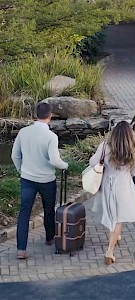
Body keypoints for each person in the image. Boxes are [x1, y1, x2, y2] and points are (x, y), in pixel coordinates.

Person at [11, 102, 68, 259]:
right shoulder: (51, 137)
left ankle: (21, 249)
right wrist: (66, 165)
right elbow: (55, 161)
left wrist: (21, 170)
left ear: (36, 115)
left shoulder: (23, 132)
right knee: (49, 210)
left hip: (27, 179)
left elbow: (14, 156)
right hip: (47, 180)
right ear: (50, 116)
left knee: (24, 213)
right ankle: (49, 238)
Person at [90, 121, 135, 265]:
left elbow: (92, 162)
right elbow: (133, 172)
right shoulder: (134, 148)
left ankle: (115, 237)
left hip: (107, 185)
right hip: (123, 187)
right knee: (118, 219)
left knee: (110, 215)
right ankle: (109, 251)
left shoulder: (105, 146)